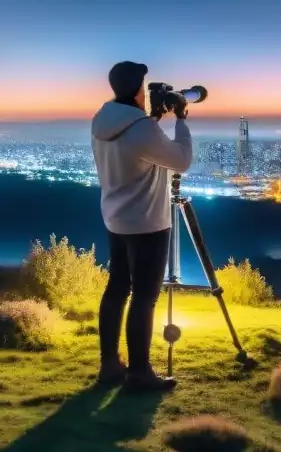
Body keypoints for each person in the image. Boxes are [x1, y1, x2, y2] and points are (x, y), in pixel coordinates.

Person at [90, 61, 193, 392]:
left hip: (115, 218)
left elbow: (137, 143)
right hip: (147, 222)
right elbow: (181, 161)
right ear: (137, 90)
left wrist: (152, 120)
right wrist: (181, 120)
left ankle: (110, 364)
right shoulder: (141, 129)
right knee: (144, 297)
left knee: (117, 289)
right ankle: (139, 373)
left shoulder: (101, 121)